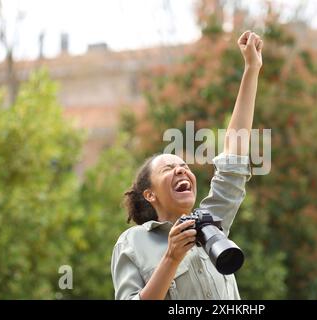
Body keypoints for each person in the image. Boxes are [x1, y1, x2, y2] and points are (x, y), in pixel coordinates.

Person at [111, 30, 263, 300]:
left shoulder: (212, 226)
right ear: (150, 194)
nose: (181, 169)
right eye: (168, 168)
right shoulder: (133, 243)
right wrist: (172, 257)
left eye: (183, 166)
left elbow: (234, 156)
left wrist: (252, 68)